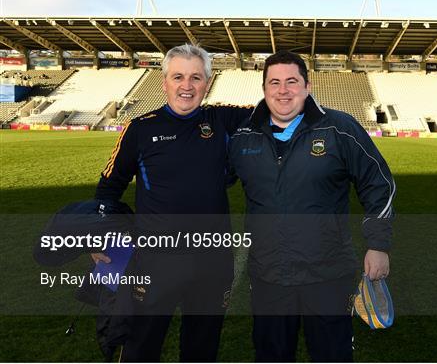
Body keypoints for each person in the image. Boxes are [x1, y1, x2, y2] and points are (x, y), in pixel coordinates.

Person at [228, 51, 396, 362]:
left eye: (292, 81)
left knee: (332, 355)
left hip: (328, 275)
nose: (283, 90)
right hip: (268, 278)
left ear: (308, 85)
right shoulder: (242, 135)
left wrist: (378, 244)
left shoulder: (340, 128)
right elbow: (207, 182)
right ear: (264, 88)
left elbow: (379, 183)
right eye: (274, 82)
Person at [93, 44, 251, 362]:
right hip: (155, 261)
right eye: (178, 76)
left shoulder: (223, 121)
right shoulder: (139, 129)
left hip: (213, 261)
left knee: (202, 349)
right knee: (141, 347)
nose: (187, 85)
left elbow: (281, 109)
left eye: (196, 77)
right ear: (164, 81)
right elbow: (108, 190)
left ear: (207, 82)